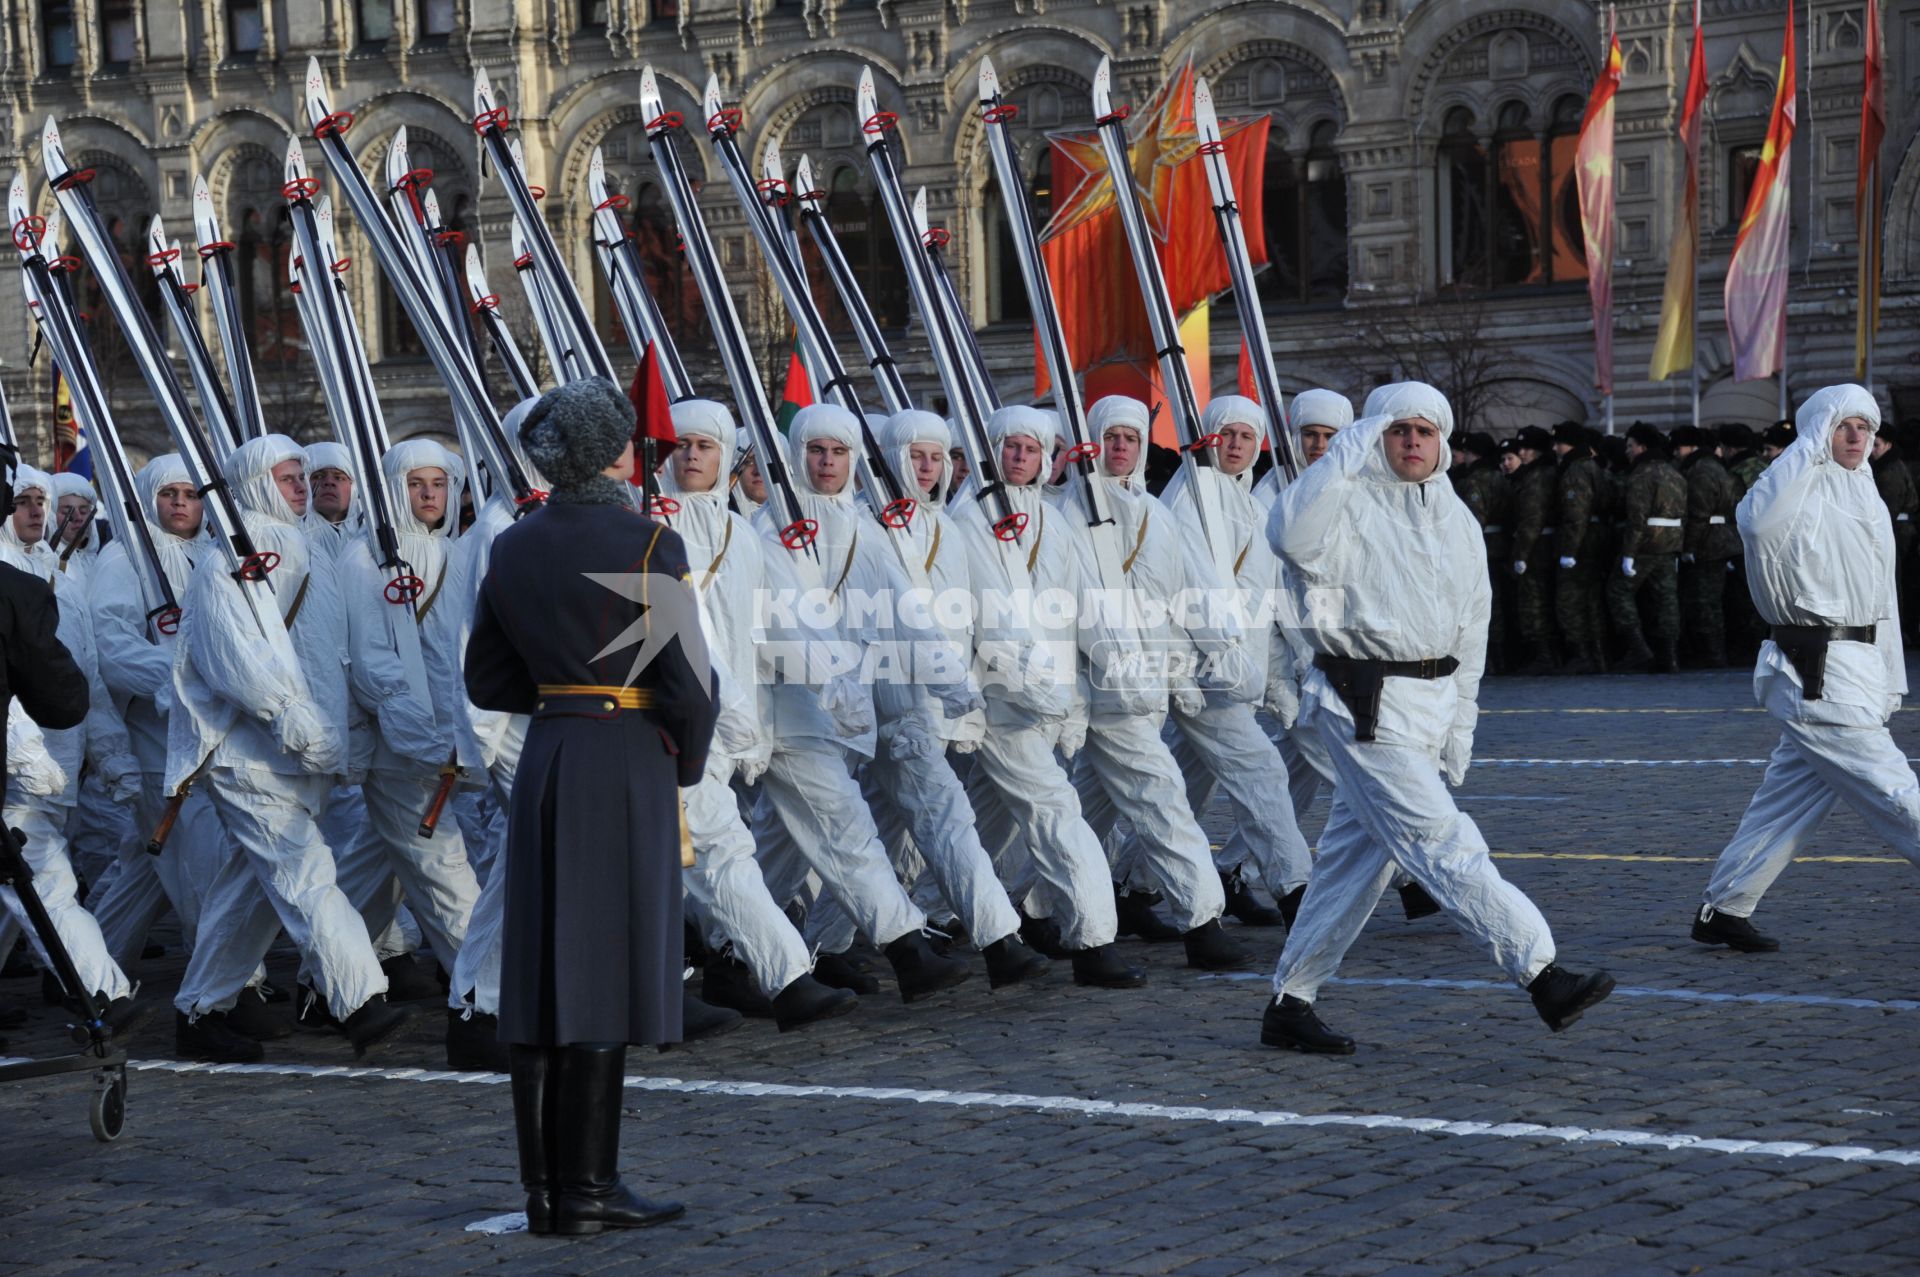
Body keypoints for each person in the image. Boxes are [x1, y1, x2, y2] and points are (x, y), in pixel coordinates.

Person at [1258, 382, 1614, 1054]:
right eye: (1398, 430)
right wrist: (1344, 455)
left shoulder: (1452, 515)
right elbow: (1288, 537)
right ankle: (1541, 970)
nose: (1412, 442)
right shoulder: (1341, 500)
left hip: (1429, 705)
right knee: (1441, 841)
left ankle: (1291, 999)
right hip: (1362, 704)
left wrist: (1461, 725)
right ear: (1375, 436)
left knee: (1349, 866)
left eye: (1424, 431)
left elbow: (1470, 628)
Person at [465, 377, 719, 1235]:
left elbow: (486, 678)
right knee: (604, 968)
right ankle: (593, 1187)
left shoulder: (511, 546)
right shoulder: (647, 544)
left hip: (549, 753)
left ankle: (546, 1191)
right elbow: (690, 686)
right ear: (611, 451)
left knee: (541, 974)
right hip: (623, 761)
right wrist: (682, 767)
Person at [167, 435, 408, 1063]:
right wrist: (293, 718)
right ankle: (359, 1000)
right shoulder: (236, 553)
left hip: (298, 756)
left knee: (250, 894)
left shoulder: (305, 546)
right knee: (305, 872)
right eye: (287, 477)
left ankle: (200, 1010)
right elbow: (236, 655)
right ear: (253, 483)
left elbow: (331, 653)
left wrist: (342, 728)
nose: (301, 486)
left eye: (303, 476)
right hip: (250, 753)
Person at [659, 399, 862, 1029]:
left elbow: (768, 623)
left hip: (721, 731)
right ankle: (787, 979)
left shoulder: (738, 534)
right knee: (722, 854)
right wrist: (731, 711)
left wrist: (832, 678)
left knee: (694, 863)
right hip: (673, 726)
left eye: (706, 446)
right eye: (682, 444)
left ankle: (704, 975)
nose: (692, 456)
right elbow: (686, 635)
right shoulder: (650, 527)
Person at [1692, 386, 1916, 952]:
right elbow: (1758, 526)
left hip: (1856, 668)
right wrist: (1802, 451)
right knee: (1895, 792)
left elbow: (1880, 597)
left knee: (1789, 799)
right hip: (1814, 670)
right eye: (1843, 425)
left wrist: (1889, 677)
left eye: (1866, 426)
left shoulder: (1864, 493)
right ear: (1818, 429)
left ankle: (1725, 906)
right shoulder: (1790, 487)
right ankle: (1725, 906)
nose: (1857, 437)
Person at [1066, 396, 1245, 970]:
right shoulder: (1072, 511)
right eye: (1111, 437)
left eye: (1131, 439)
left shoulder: (1155, 514)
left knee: (1082, 809)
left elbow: (1177, 599)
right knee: (1161, 798)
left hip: (1144, 689)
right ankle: (1203, 919)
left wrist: (1190, 664)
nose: (1121, 448)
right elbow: (1077, 606)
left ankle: (1033, 903)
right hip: (1100, 685)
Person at [0, 463, 150, 1039]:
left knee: (26, 887)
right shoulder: (12, 580)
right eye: (23, 501)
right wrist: (27, 758)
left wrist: (112, 756)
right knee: (46, 882)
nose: (37, 511)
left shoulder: (56, 578)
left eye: (42, 499)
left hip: (53, 766)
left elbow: (79, 676)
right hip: (22, 773)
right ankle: (100, 992)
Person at [1157, 395, 1313, 928]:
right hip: (1204, 669)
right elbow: (1192, 587)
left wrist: (1273, 678)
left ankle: (1125, 886)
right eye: (1228, 435)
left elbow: (1263, 601)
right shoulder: (1190, 497)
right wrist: (1221, 655)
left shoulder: (1248, 501)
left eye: (1247, 438)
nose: (1236, 446)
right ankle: (1296, 890)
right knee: (1262, 771)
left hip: (1237, 672)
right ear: (1209, 438)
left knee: (1180, 783)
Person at [1609, 422, 1687, 673]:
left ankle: (1638, 650)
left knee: (1618, 591)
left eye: (1630, 446)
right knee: (1666, 600)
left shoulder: (1641, 474)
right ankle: (1670, 656)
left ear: (1642, 447)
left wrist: (1628, 553)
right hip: (1670, 543)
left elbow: (1637, 518)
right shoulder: (1674, 472)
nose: (1628, 451)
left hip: (1645, 544)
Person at [1674, 424, 1742, 668]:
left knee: (1705, 602)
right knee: (1711, 601)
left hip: (1709, 544)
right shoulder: (1715, 467)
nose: (1677, 452)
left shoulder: (1701, 470)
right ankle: (1714, 652)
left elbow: (1698, 513)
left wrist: (1689, 548)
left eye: (1680, 447)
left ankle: (1713, 655)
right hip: (1721, 539)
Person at [1551, 423, 1609, 674]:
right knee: (1591, 600)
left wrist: (1569, 552)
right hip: (1595, 538)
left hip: (1581, 542)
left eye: (1559, 442)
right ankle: (1598, 655)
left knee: (1569, 599)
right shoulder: (1592, 465)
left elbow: (1576, 515)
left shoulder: (1575, 469)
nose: (1555, 448)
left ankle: (1582, 654)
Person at [1507, 425, 1560, 674]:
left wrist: (1521, 555)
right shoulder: (1541, 473)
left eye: (1527, 448)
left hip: (1537, 547)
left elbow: (1531, 517)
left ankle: (1544, 656)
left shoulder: (1537, 477)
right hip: (1544, 544)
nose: (1523, 453)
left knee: (1533, 602)